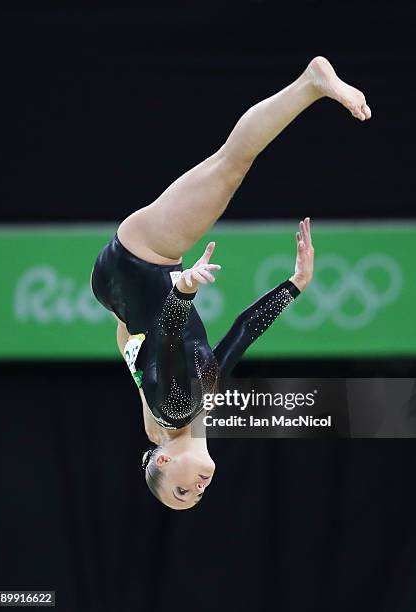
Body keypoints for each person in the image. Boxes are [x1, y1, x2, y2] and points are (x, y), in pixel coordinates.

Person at [90, 56, 371, 510]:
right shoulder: (189, 409)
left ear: (161, 462)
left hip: (142, 259)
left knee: (231, 164)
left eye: (182, 490)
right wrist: (294, 285)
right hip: (125, 281)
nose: (198, 487)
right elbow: (241, 332)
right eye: (198, 496)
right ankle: (310, 85)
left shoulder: (177, 410)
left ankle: (311, 83)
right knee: (228, 167)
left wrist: (182, 292)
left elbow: (165, 340)